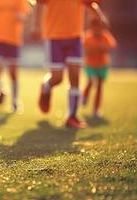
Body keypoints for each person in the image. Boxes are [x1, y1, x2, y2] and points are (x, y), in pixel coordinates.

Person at [32, 0, 107, 128]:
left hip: (75, 37)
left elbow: (89, 3)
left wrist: (100, 16)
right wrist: (36, 25)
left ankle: (72, 117)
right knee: (57, 78)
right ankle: (46, 86)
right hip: (54, 36)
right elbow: (39, 3)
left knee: (75, 77)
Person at [0, 0, 31, 112]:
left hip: (13, 39)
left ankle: (15, 100)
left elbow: (26, 15)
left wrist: (21, 17)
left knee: (13, 73)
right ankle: (1, 89)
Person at [82, 17, 117, 117]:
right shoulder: (87, 37)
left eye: (100, 28)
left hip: (102, 65)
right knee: (91, 81)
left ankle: (96, 109)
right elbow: (87, 50)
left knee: (100, 86)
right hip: (90, 65)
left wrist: (100, 49)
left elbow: (110, 46)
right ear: (92, 27)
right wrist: (99, 49)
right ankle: (84, 96)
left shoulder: (105, 36)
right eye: (96, 27)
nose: (98, 30)